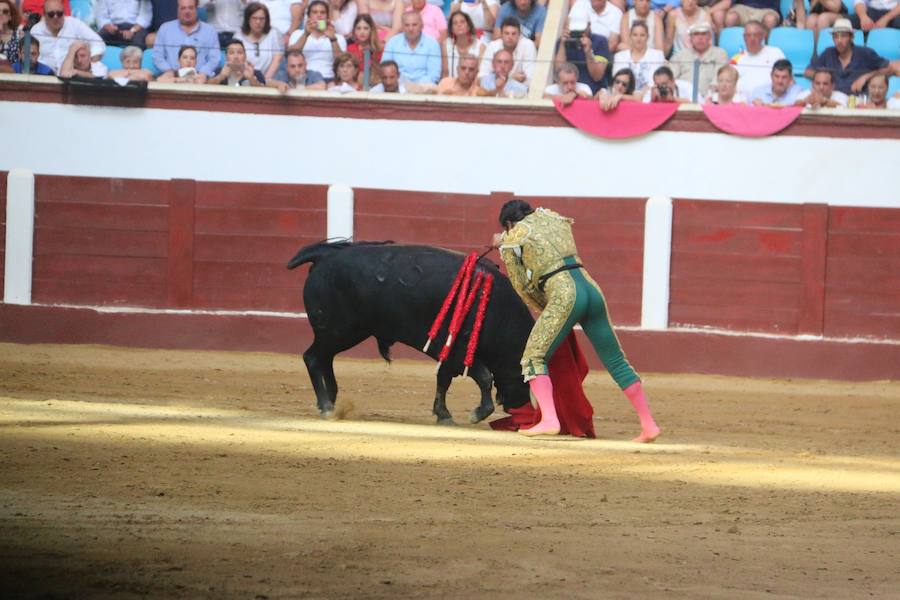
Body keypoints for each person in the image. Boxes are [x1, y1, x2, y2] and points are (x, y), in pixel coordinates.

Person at [492, 200, 662, 442]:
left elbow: (521, 287)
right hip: (591, 289)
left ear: (509, 223)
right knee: (616, 360)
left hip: (564, 294)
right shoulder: (555, 219)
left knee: (533, 357)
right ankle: (649, 425)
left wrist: (503, 244)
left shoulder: (514, 236)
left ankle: (549, 420)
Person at [804, 17, 890, 95]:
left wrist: (866, 77)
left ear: (851, 37)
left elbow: (888, 69)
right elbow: (808, 72)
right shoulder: (828, 53)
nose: (839, 41)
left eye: (843, 36)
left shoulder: (865, 53)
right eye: (836, 37)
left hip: (858, 99)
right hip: (833, 98)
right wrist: (826, 78)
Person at [30, 0, 106, 74]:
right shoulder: (36, 31)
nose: (55, 17)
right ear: (44, 15)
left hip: (72, 77)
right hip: (44, 77)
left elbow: (98, 43)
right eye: (51, 14)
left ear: (64, 13)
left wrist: (88, 61)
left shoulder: (74, 24)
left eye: (59, 13)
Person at [153, 0, 221, 78]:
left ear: (197, 9)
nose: (187, 11)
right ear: (177, 9)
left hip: (200, 80)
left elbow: (214, 59)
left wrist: (203, 73)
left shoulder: (210, 31)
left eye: (190, 8)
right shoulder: (165, 29)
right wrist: (168, 71)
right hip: (172, 78)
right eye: (183, 8)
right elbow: (157, 56)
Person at [287, 0, 347, 81]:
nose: (319, 15)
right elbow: (291, 55)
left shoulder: (338, 37)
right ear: (309, 17)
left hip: (330, 78)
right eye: (315, 12)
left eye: (322, 12)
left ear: (328, 17)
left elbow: (342, 62)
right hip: (304, 78)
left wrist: (333, 39)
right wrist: (306, 34)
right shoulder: (297, 34)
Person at [381, 11, 441, 86]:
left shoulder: (432, 44)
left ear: (422, 26)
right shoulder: (393, 42)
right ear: (402, 27)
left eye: (414, 25)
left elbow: (434, 75)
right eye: (407, 25)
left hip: (425, 88)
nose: (411, 28)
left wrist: (416, 88)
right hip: (396, 86)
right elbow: (384, 68)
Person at [669, 22, 727, 97]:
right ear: (690, 38)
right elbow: (670, 79)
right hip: (684, 99)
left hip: (710, 99)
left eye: (703, 34)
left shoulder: (720, 54)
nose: (700, 38)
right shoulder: (679, 56)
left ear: (710, 37)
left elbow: (720, 80)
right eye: (696, 34)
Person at [731, 20, 785, 96]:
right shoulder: (736, 58)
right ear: (744, 37)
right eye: (748, 35)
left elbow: (787, 79)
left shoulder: (775, 53)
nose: (752, 38)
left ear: (763, 36)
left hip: (769, 101)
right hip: (742, 103)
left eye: (756, 35)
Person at [480, 17, 536, 90]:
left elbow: (530, 80)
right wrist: (511, 78)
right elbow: (482, 77)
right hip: (492, 92)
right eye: (506, 33)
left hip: (519, 94)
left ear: (519, 36)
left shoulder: (528, 45)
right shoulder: (493, 46)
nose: (510, 37)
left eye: (513, 34)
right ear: (501, 35)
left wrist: (499, 80)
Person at [612, 21, 666, 94]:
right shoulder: (620, 56)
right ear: (630, 36)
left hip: (648, 97)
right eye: (635, 35)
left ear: (648, 37)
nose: (638, 38)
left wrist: (641, 95)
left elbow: (656, 82)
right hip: (624, 96)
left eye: (642, 35)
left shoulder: (657, 55)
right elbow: (618, 82)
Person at [554, 25, 610, 96]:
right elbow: (559, 72)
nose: (578, 32)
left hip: (593, 95)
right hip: (566, 92)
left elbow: (597, 76)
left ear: (589, 25)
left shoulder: (600, 41)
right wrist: (562, 44)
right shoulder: (562, 40)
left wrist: (588, 51)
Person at [234, 2, 284, 82]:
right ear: (248, 19)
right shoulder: (239, 35)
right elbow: (236, 59)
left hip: (269, 81)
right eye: (254, 18)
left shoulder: (274, 33)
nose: (258, 22)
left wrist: (264, 81)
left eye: (262, 19)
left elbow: (277, 59)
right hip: (245, 79)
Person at [442, 10, 485, 79]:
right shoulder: (446, 44)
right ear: (452, 29)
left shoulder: (480, 46)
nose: (459, 25)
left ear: (468, 26)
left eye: (462, 22)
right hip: (451, 86)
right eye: (455, 23)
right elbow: (445, 72)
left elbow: (479, 75)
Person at [346, 13, 382, 88]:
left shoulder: (378, 49)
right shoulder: (350, 48)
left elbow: (380, 72)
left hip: (374, 85)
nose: (362, 32)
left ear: (371, 30)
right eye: (358, 28)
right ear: (354, 31)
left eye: (366, 28)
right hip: (354, 84)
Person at [0, 0, 22, 67]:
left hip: (13, 75)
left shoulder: (19, 35)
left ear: (10, 16)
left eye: (5, 11)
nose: (1, 14)